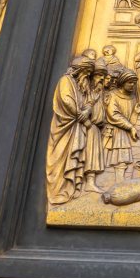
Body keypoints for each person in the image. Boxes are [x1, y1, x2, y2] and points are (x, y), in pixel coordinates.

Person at [45, 55, 94, 203]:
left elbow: (86, 102)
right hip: (65, 127)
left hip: (76, 127)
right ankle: (59, 191)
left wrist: (87, 110)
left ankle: (70, 188)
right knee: (61, 157)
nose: (87, 78)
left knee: (73, 157)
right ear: (79, 71)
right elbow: (67, 101)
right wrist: (83, 117)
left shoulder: (80, 84)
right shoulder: (66, 81)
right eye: (86, 74)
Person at [103, 67, 140, 175]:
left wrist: (136, 112)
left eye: (134, 83)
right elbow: (114, 115)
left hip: (124, 132)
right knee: (106, 161)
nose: (133, 85)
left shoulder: (133, 98)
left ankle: (119, 183)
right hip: (112, 133)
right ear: (122, 82)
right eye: (130, 82)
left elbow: (131, 122)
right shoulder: (113, 95)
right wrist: (131, 127)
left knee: (121, 162)